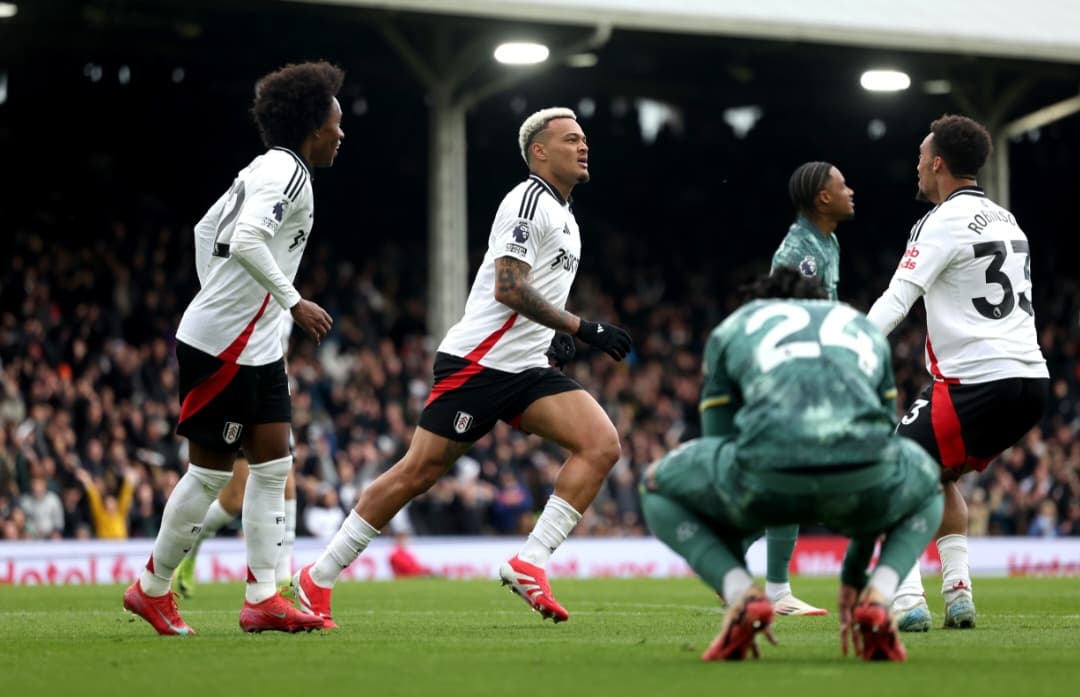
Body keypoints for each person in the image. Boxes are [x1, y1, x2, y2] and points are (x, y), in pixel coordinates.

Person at [292, 106, 632, 628]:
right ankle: (318, 576)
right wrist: (581, 328)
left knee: (602, 444)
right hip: (479, 362)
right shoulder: (528, 201)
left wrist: (552, 341)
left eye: (584, 138)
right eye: (570, 139)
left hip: (524, 367)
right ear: (539, 152)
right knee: (418, 472)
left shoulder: (567, 216)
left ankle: (530, 562)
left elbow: (531, 294)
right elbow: (509, 287)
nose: (583, 146)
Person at [122, 61, 344, 635]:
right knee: (210, 477)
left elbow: (204, 230)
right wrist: (290, 301)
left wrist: (226, 293)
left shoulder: (268, 168)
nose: (341, 133)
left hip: (257, 346)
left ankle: (263, 597)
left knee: (275, 467)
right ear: (312, 125)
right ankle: (151, 589)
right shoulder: (287, 172)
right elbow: (244, 237)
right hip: (226, 346)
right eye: (336, 122)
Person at [641, 268, 944, 662]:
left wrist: (730, 556)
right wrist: (855, 575)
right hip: (858, 484)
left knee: (653, 486)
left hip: (766, 478)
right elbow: (883, 450)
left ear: (763, 300)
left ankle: (741, 594)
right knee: (931, 488)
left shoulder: (736, 326)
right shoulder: (859, 327)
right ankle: (880, 594)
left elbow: (719, 443)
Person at [867, 114, 1048, 632]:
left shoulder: (938, 222)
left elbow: (897, 300)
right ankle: (959, 592)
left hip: (975, 382)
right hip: (1030, 383)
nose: (917, 167)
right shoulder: (1007, 219)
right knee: (939, 472)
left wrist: (845, 347)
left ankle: (904, 599)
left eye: (923, 158)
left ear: (939, 164)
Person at [762, 161, 856, 617]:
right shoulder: (800, 251)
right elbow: (790, 323)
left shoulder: (827, 242)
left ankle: (773, 588)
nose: (850, 191)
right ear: (823, 197)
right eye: (842, 185)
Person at [172, 318, 299, 599]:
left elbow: (281, 350)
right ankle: (188, 547)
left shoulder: (287, 304)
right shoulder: (251, 290)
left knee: (287, 482)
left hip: (272, 394)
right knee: (232, 501)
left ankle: (283, 574)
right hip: (241, 387)